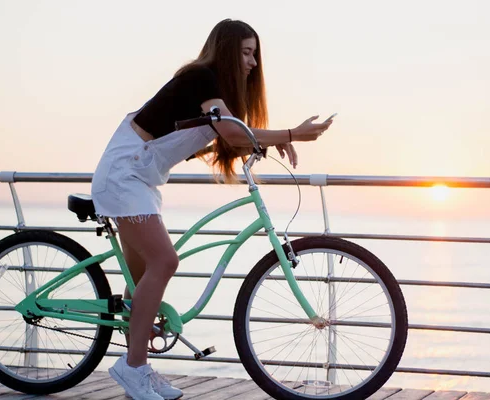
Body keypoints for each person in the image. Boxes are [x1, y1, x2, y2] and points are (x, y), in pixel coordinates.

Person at [90, 18, 332, 400]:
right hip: (124, 175)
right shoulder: (202, 78)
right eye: (246, 53)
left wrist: (264, 143)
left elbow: (231, 138)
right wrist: (291, 134)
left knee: (139, 283)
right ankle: (131, 367)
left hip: (140, 178)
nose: (253, 63)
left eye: (256, 54)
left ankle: (139, 364)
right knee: (165, 262)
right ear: (226, 51)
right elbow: (233, 133)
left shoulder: (218, 94)